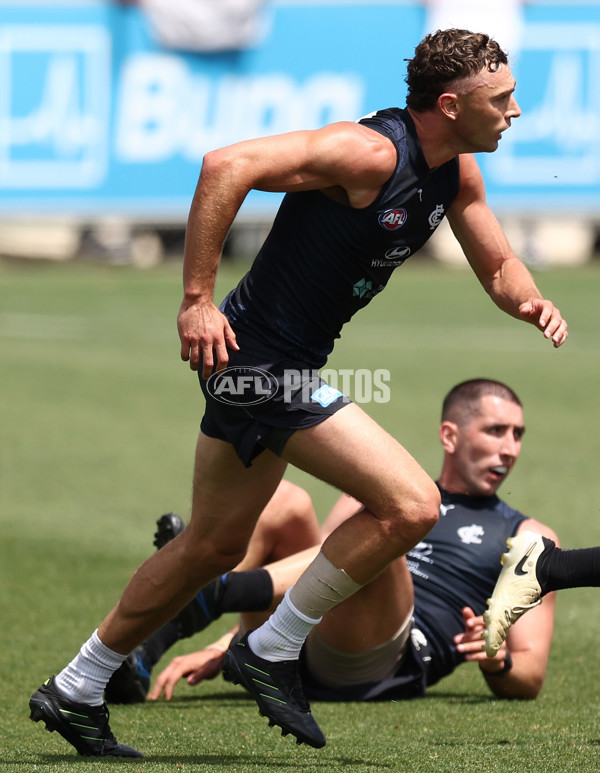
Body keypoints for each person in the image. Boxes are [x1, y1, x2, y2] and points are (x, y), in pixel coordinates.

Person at [29, 29, 568, 758]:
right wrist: (196, 298)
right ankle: (273, 646)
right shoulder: (372, 152)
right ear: (451, 104)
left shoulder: (457, 172)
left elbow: (499, 263)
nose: (515, 111)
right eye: (501, 100)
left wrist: (530, 300)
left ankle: (75, 685)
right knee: (411, 504)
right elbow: (227, 164)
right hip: (257, 361)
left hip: (273, 363)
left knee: (210, 545)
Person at [108, 378, 559, 706]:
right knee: (288, 500)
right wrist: (223, 644)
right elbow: (313, 578)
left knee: (385, 541)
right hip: (311, 633)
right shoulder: (388, 497)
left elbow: (530, 674)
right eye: (496, 431)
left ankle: (214, 590)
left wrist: (495, 662)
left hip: (382, 656)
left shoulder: (529, 537)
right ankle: (144, 655)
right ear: (450, 436)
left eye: (518, 435)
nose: (510, 449)